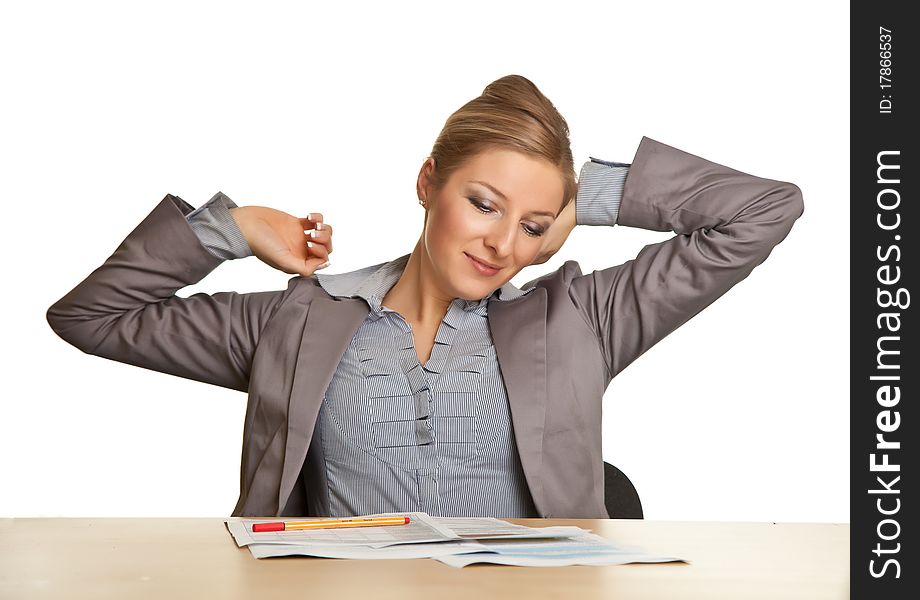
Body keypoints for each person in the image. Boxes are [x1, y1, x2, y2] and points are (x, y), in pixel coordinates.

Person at [47, 75, 804, 519]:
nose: (503, 243)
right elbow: (90, 317)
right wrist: (233, 228)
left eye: (532, 224)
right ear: (427, 183)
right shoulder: (299, 318)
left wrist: (591, 192)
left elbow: (764, 211)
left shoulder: (579, 320)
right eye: (484, 204)